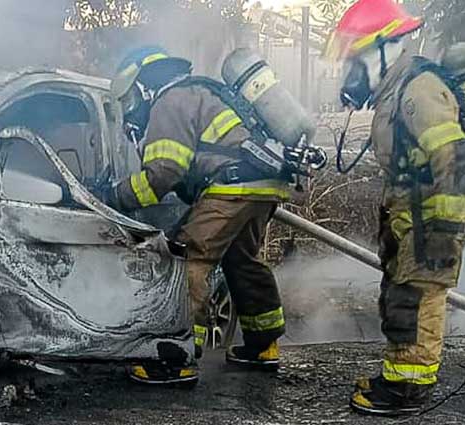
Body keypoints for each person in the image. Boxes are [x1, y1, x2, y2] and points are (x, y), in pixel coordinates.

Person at [110, 46, 289, 386]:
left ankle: (176, 358)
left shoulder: (169, 102)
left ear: (143, 85)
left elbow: (163, 174)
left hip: (231, 187)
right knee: (242, 260)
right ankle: (262, 347)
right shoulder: (199, 91)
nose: (132, 107)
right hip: (262, 184)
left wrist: (117, 196)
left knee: (187, 258)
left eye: (131, 98)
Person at [323, 0, 465, 416]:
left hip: (430, 218)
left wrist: (443, 226)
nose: (350, 74)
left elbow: (452, 157)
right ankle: (398, 376)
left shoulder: (417, 90)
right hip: (411, 216)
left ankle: (409, 391)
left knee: (419, 299)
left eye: (356, 61)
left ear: (385, 48)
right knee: (401, 296)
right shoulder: (394, 89)